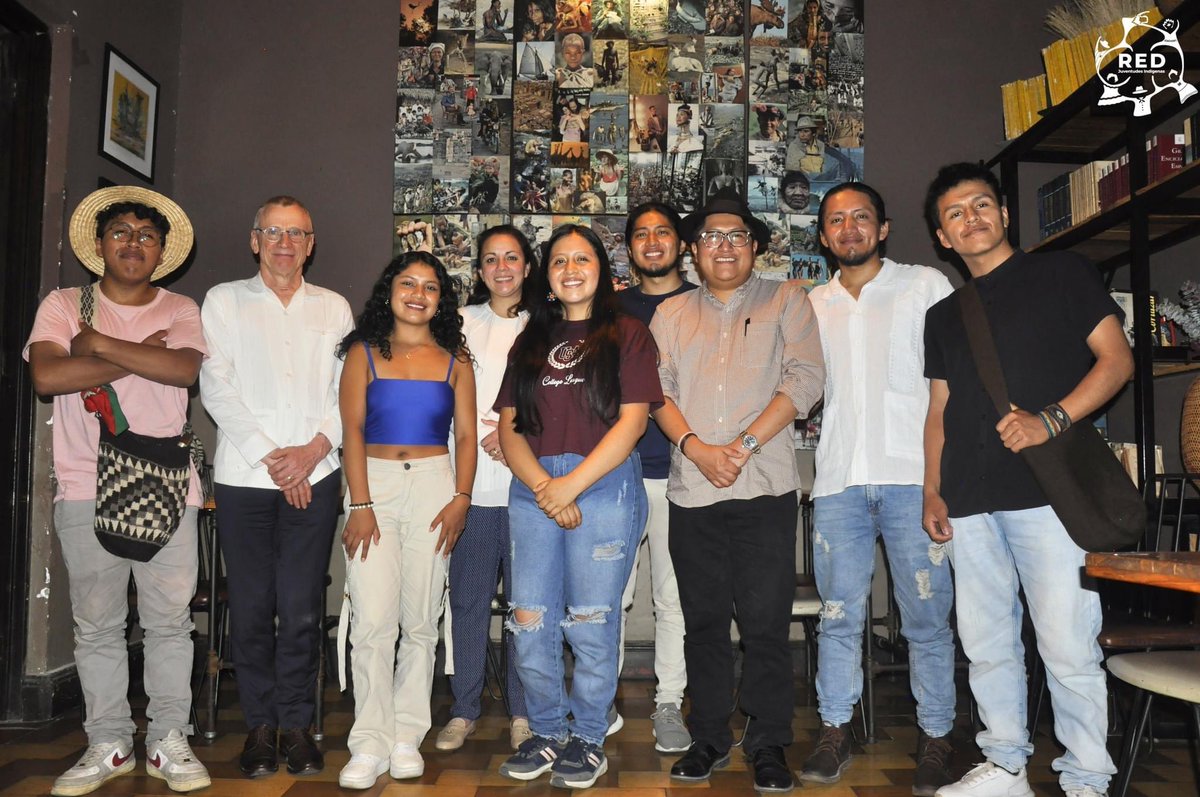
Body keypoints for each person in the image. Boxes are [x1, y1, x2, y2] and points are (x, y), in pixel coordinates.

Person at [921, 162, 1129, 797]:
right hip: (969, 497)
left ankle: (1087, 775)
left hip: (1049, 494)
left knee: (1067, 642)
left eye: (982, 205)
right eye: (956, 214)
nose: (971, 219)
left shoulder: (1062, 272)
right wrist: (933, 488)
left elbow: (1117, 359)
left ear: (1004, 214)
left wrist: (1053, 419)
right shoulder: (942, 314)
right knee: (986, 641)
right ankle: (1006, 765)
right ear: (942, 238)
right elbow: (939, 409)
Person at [27, 186, 211, 796]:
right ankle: (107, 744)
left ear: (161, 252)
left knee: (168, 623)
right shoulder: (62, 302)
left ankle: (167, 741)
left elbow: (184, 370)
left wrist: (98, 345)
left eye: (146, 236)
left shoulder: (181, 308)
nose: (134, 243)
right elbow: (49, 375)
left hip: (166, 488)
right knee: (98, 626)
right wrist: (140, 355)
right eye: (122, 233)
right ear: (99, 244)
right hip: (83, 483)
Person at [649, 195, 824, 794]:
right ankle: (709, 737)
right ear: (694, 251)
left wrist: (742, 445)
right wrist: (698, 450)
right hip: (692, 489)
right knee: (702, 623)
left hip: (765, 485)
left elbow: (805, 379)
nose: (724, 245)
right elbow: (656, 390)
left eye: (737, 235)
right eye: (711, 236)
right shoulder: (671, 314)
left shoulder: (787, 300)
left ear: (755, 245)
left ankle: (770, 740)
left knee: (765, 622)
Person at [802, 183, 956, 795]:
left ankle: (938, 737)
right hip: (838, 480)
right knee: (838, 615)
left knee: (927, 618)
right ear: (822, 236)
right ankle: (835, 729)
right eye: (836, 220)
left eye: (860, 217)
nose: (848, 228)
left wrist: (940, 483)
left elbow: (952, 387)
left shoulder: (925, 286)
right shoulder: (812, 303)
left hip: (915, 481)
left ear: (883, 228)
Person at [494, 225, 662, 789]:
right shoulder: (529, 338)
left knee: (591, 622)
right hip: (533, 484)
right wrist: (546, 485)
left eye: (582, 258)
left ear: (602, 268)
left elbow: (633, 422)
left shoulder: (630, 334)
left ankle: (589, 737)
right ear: (547, 273)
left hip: (605, 482)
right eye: (559, 260)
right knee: (529, 619)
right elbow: (510, 427)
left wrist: (572, 486)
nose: (570, 268)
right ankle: (546, 729)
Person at [199, 196, 354, 779]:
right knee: (253, 607)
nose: (285, 242)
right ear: (254, 239)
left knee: (300, 608)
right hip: (245, 476)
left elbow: (347, 390)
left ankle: (297, 726)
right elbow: (215, 386)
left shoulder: (334, 308)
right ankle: (259, 727)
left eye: (297, 233)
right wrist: (273, 458)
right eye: (274, 231)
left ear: (311, 244)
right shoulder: (223, 301)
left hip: (316, 476)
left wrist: (313, 451)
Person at [334, 249, 477, 789]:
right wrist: (362, 503)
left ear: (441, 299)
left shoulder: (455, 359)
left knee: (420, 619)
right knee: (373, 619)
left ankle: (405, 735)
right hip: (375, 486)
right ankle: (368, 742)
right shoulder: (363, 353)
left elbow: (465, 436)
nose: (419, 294)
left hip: (437, 487)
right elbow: (351, 431)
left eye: (431, 287)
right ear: (389, 291)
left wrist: (461, 497)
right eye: (408, 283)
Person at [436, 226, 535, 754]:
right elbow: (441, 391)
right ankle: (464, 709)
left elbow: (558, 401)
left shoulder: (544, 324)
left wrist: (511, 431)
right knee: (469, 602)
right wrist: (481, 433)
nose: (502, 268)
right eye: (491, 259)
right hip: (469, 486)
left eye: (511, 258)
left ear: (526, 266)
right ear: (478, 271)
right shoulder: (458, 324)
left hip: (528, 491)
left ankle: (523, 711)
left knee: (526, 606)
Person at [615, 203, 697, 754]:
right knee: (609, 595)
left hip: (682, 474)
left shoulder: (702, 303)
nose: (652, 241)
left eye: (662, 231)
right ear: (629, 248)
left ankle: (670, 701)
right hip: (615, 473)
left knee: (673, 598)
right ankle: (600, 701)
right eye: (641, 234)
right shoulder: (610, 309)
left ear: (681, 243)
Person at [786, 116, 857, 182]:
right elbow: (792, 170)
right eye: (800, 131)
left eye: (806, 131)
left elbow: (840, 158)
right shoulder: (794, 146)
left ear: (813, 133)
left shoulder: (821, 146)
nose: (802, 134)